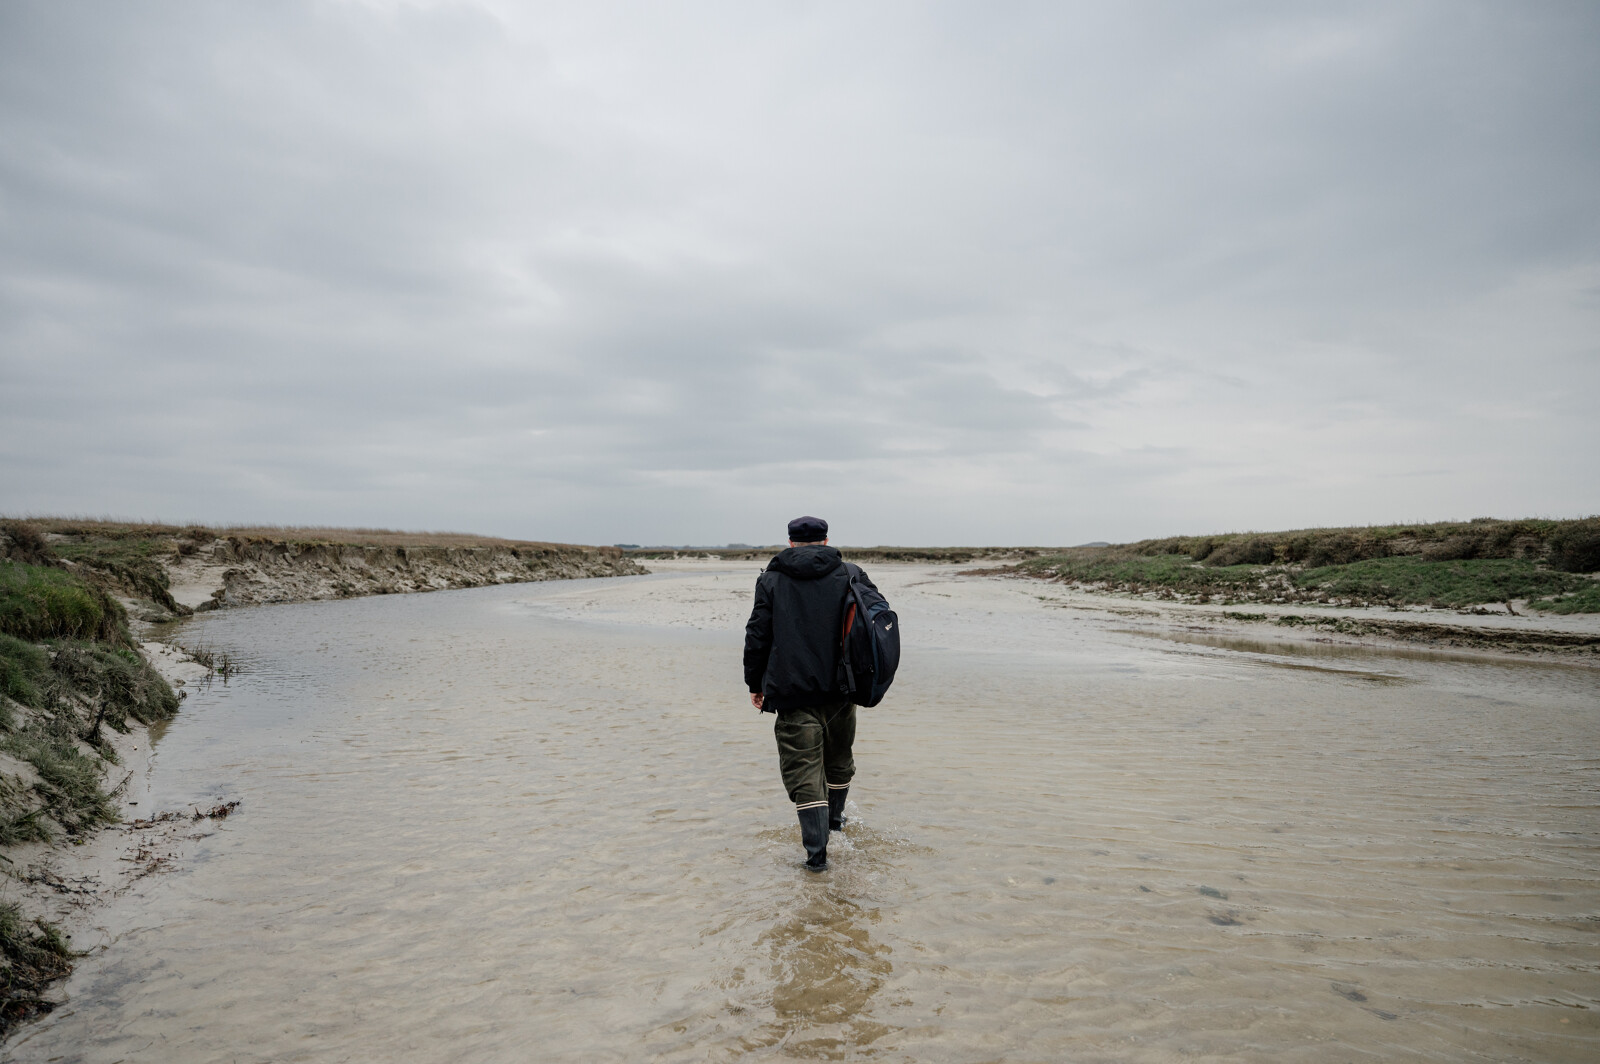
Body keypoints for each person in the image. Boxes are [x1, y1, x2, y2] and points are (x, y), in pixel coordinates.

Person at [743, 515, 879, 872]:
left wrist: (754, 683)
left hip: (792, 694)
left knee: (805, 774)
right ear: (826, 540)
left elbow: (757, 634)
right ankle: (836, 827)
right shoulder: (850, 573)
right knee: (839, 761)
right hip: (842, 691)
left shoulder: (771, 579)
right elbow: (874, 625)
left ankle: (817, 861)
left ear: (790, 543)